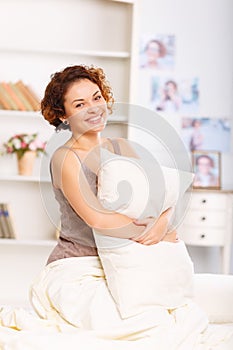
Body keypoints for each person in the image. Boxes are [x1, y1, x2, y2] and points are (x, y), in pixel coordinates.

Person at [29, 65, 206, 343]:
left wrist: (162, 223)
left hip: (123, 263)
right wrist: (153, 230)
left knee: (175, 315)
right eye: (80, 104)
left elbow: (157, 198)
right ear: (63, 115)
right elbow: (96, 218)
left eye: (97, 97)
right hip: (77, 267)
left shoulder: (122, 148)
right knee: (139, 325)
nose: (93, 108)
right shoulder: (65, 158)